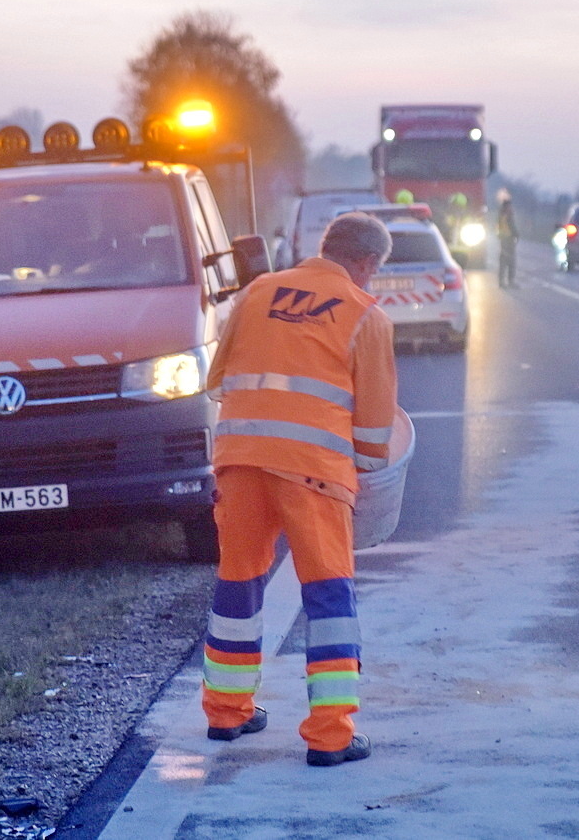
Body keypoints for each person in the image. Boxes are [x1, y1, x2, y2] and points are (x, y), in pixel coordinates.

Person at [200, 211, 398, 768]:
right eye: (374, 271)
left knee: (237, 583)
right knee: (329, 594)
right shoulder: (365, 315)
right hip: (313, 469)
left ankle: (225, 712)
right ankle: (331, 735)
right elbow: (376, 430)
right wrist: (365, 472)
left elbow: (218, 380)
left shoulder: (259, 291)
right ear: (364, 262)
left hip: (239, 459)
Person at [496, 188, 518, 288]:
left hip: (503, 239)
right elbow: (512, 227)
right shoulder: (507, 215)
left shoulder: (501, 214)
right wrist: (516, 235)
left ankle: (502, 281)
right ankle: (510, 281)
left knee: (503, 261)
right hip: (508, 239)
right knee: (510, 261)